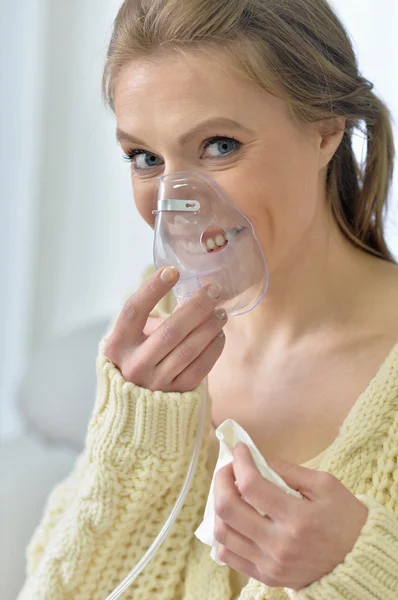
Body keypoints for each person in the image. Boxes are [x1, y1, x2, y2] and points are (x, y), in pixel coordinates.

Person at [18, 0, 398, 598]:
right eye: (145, 158)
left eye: (219, 145)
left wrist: (370, 568)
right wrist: (137, 439)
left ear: (326, 128)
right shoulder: (150, 355)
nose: (174, 201)